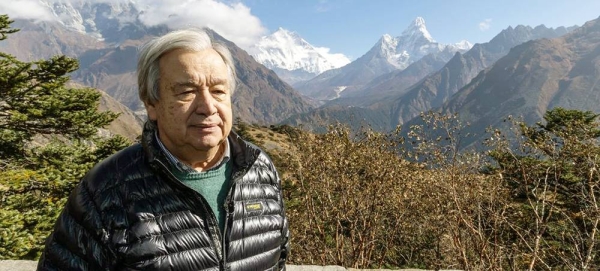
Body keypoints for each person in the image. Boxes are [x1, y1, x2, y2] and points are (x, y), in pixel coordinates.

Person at [37, 28, 289, 271]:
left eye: (218, 91)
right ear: (152, 104)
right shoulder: (106, 190)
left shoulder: (258, 168)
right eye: (187, 91)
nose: (208, 106)